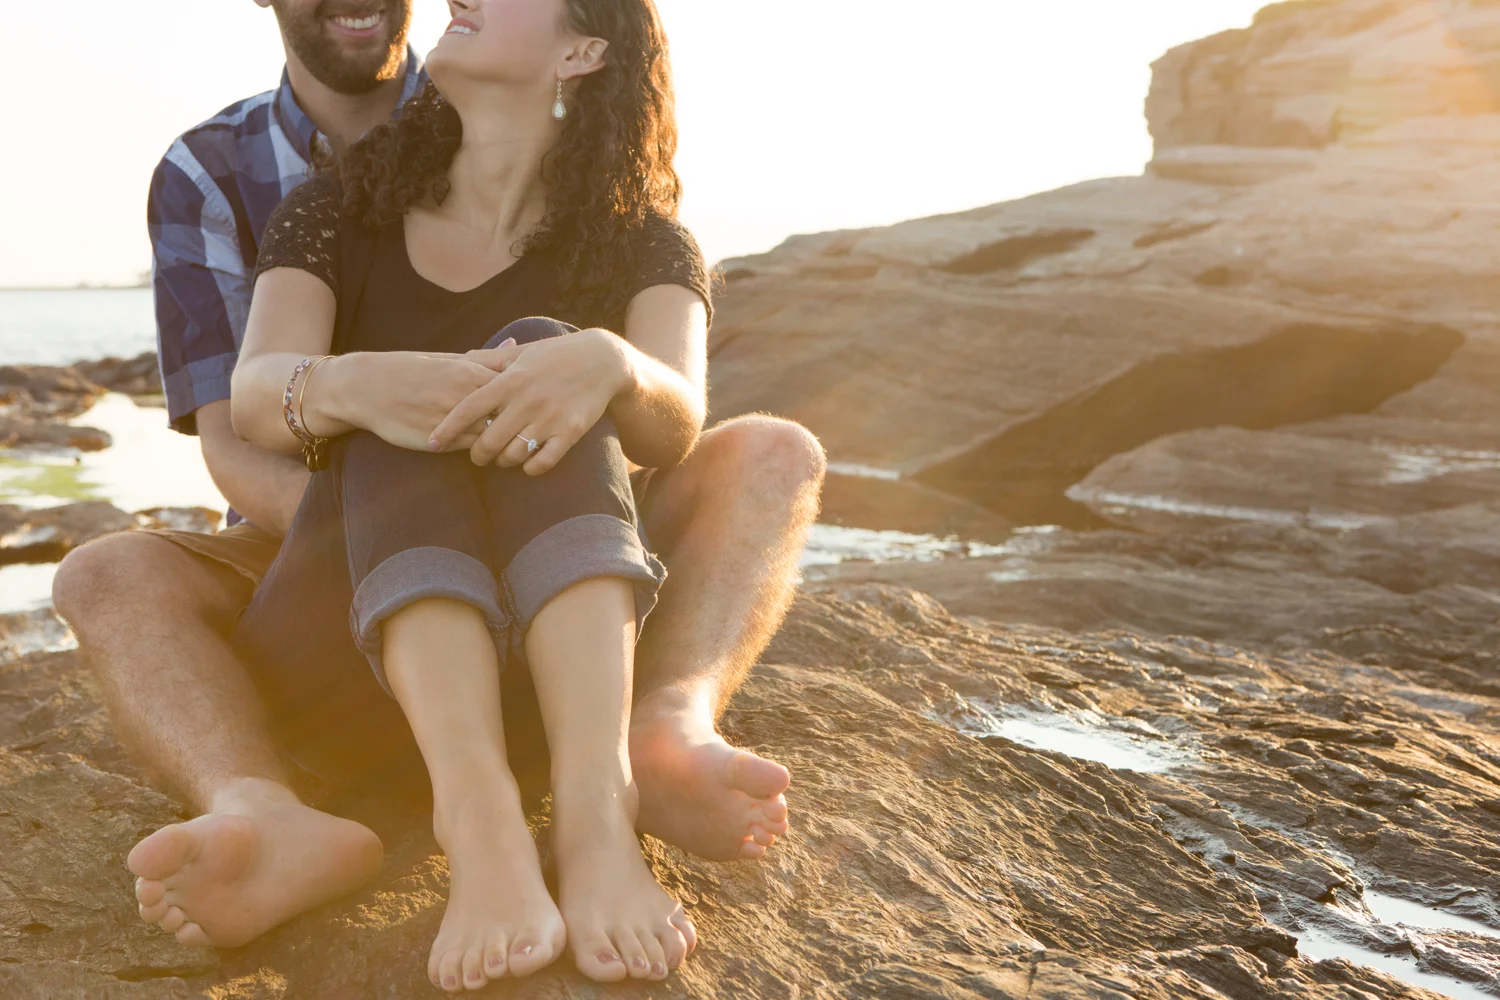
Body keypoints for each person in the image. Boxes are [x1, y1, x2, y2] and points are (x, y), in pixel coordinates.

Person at [49, 0, 822, 980]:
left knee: (760, 442)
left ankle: (640, 757)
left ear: (585, 53)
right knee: (121, 564)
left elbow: (677, 413)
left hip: (571, 598)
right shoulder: (321, 201)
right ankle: (301, 813)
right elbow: (244, 416)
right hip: (353, 595)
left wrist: (613, 365)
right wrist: (353, 394)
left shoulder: (635, 224)